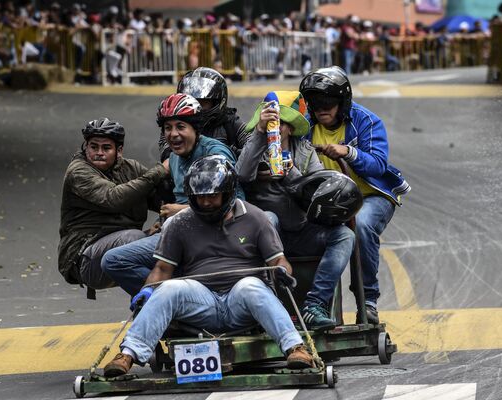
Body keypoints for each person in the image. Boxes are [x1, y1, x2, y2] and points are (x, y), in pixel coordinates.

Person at [103, 155, 313, 377]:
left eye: (212, 196)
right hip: (201, 303)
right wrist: (147, 290)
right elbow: (162, 270)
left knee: (251, 285)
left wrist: (283, 272)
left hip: (241, 302)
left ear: (228, 193)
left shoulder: (255, 217)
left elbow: (278, 261)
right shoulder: (180, 222)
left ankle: (295, 348)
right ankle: (128, 354)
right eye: (199, 197)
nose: (205, 203)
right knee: (168, 288)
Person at [236, 91, 358, 331]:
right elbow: (241, 174)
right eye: (270, 123)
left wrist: (289, 173)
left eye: (279, 124)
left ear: (290, 128)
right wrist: (260, 135)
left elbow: (317, 192)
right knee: (267, 218)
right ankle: (266, 305)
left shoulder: (304, 150)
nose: (275, 129)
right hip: (264, 237)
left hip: (301, 229)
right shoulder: (254, 144)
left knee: (345, 235)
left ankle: (314, 305)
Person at [101, 93, 244, 296]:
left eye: (180, 127)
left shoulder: (215, 154)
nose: (173, 134)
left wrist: (182, 210)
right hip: (179, 231)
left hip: (213, 234)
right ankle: (174, 301)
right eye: (168, 128)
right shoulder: (175, 156)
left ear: (196, 128)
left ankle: (175, 298)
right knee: (113, 260)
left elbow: (237, 204)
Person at [299, 66, 411, 324]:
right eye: (315, 102)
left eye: (328, 102)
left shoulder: (367, 121)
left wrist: (349, 152)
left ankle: (368, 300)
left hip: (370, 196)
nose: (321, 108)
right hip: (324, 201)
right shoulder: (304, 124)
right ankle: (314, 307)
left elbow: (378, 165)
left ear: (342, 101)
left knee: (360, 226)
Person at [57, 117, 169, 299]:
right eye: (94, 147)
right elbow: (114, 198)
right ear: (86, 147)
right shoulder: (78, 171)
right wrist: (159, 170)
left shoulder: (131, 168)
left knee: (171, 236)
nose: (99, 153)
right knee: (135, 238)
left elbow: (162, 200)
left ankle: (154, 304)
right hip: (84, 256)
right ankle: (165, 298)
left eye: (106, 148)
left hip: (122, 246)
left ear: (119, 150)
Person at [158, 67, 249, 161]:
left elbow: (252, 143)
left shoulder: (230, 121)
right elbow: (166, 153)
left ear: (217, 102)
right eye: (191, 102)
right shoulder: (173, 122)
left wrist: (232, 152)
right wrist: (169, 160)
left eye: (201, 102)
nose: (195, 107)